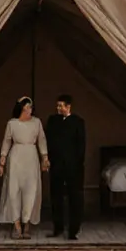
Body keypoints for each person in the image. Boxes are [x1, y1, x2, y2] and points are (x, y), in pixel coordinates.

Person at [0, 96, 49, 239]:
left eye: (30, 108)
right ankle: (16, 225)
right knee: (13, 191)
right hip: (16, 157)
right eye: (26, 108)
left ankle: (27, 223)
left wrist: (45, 157)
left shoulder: (36, 122)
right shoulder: (12, 124)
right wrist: (2, 160)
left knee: (31, 190)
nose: (29, 111)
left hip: (31, 157)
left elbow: (42, 140)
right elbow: (6, 141)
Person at [45, 93, 86, 240]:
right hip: (56, 165)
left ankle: (73, 230)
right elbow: (48, 140)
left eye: (60, 106)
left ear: (68, 106)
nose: (58, 108)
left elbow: (81, 145)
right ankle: (58, 227)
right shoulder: (53, 121)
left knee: (74, 198)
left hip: (73, 167)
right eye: (57, 105)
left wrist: (77, 164)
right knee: (56, 197)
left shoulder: (78, 122)